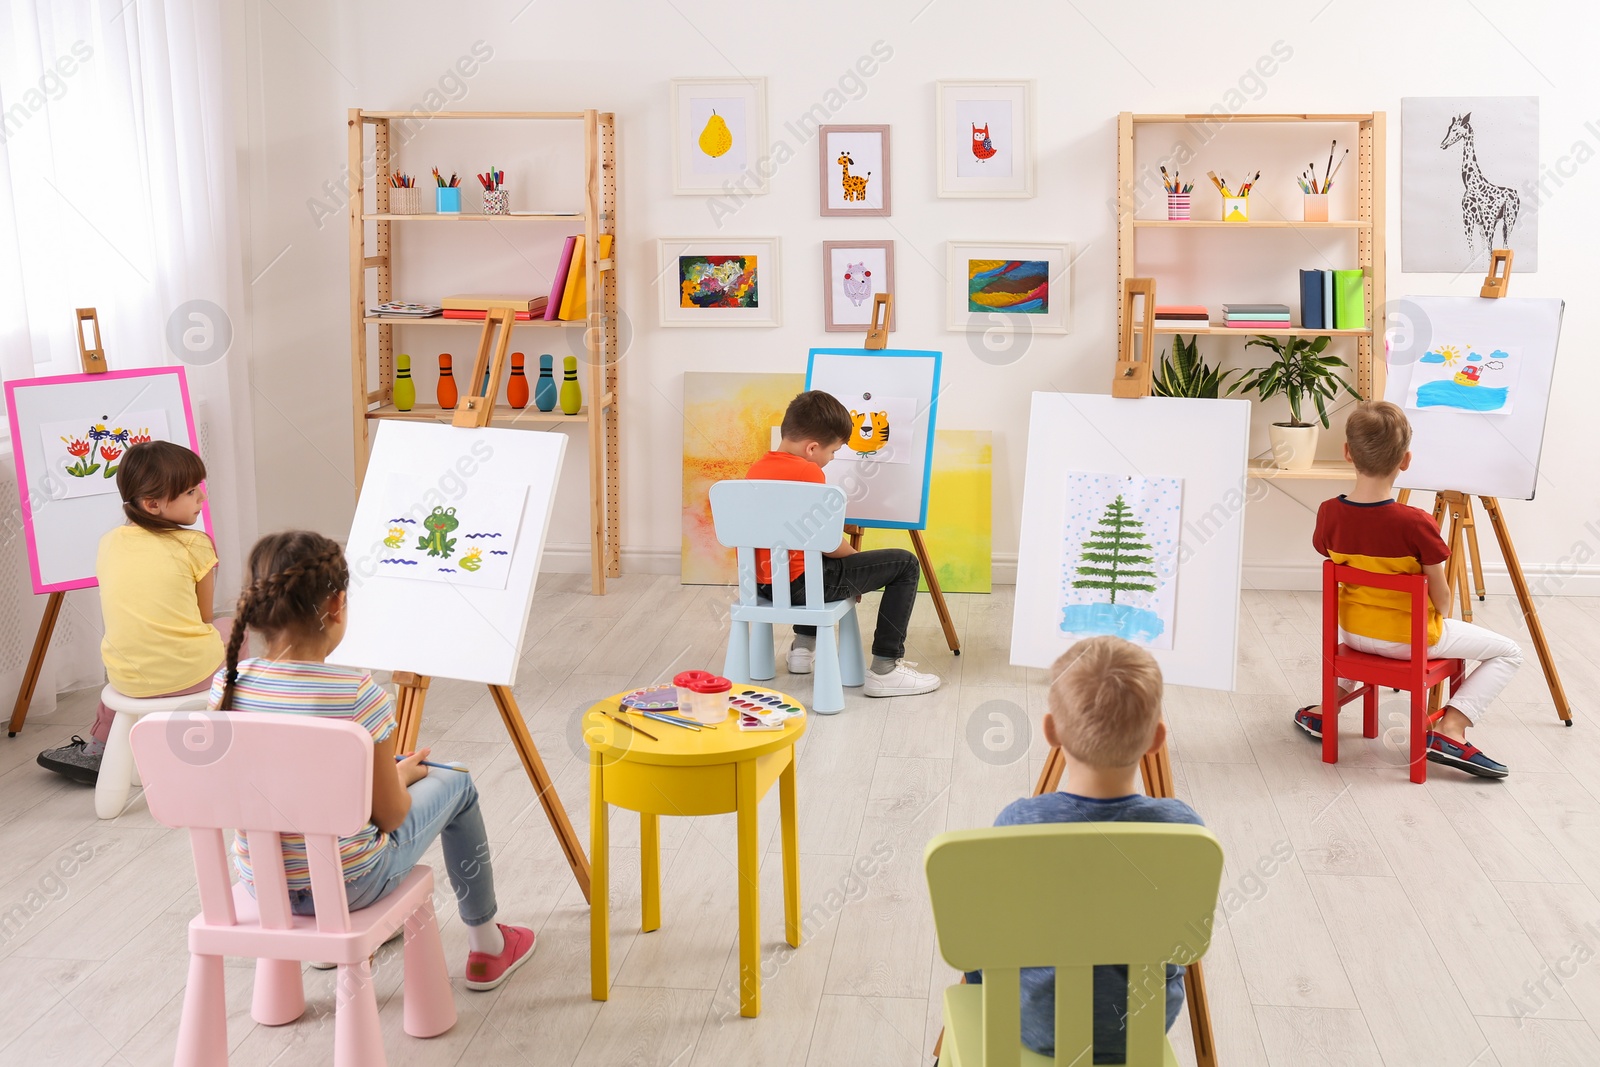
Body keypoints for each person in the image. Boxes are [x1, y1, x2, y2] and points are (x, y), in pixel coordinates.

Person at [212, 530, 535, 990]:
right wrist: (394, 782)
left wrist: (381, 776)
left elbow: (270, 787)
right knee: (458, 785)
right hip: (351, 886)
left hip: (261, 886)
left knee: (397, 790)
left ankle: (328, 948)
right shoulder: (357, 696)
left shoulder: (228, 687)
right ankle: (488, 945)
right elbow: (391, 814)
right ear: (337, 605)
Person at [967, 636, 1200, 1062]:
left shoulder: (1019, 823)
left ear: (1050, 730)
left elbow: (988, 934)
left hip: (1033, 1024)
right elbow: (1183, 941)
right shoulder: (1184, 831)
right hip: (1137, 1031)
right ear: (1157, 739)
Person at [1292, 401, 1521, 778]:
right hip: (1407, 640)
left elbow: (1330, 556)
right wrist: (1440, 623)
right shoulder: (1415, 523)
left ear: (1347, 453)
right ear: (1406, 460)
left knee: (1366, 635)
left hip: (1351, 633)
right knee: (1509, 653)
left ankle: (1324, 711)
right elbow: (1441, 597)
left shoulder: (1329, 512)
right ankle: (1451, 729)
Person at [38, 441, 230, 784]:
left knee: (131, 649)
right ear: (152, 504)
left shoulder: (108, 542)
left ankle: (98, 748)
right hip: (192, 674)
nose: (202, 498)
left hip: (127, 680)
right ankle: (239, 725)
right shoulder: (197, 544)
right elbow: (204, 617)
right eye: (190, 491)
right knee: (229, 625)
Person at [745, 389, 940, 698]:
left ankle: (801, 650)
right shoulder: (808, 473)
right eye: (833, 452)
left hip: (763, 584)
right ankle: (886, 668)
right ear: (811, 448)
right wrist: (856, 567)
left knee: (812, 561)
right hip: (803, 586)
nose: (832, 459)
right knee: (905, 564)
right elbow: (829, 545)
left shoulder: (758, 469)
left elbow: (794, 533)